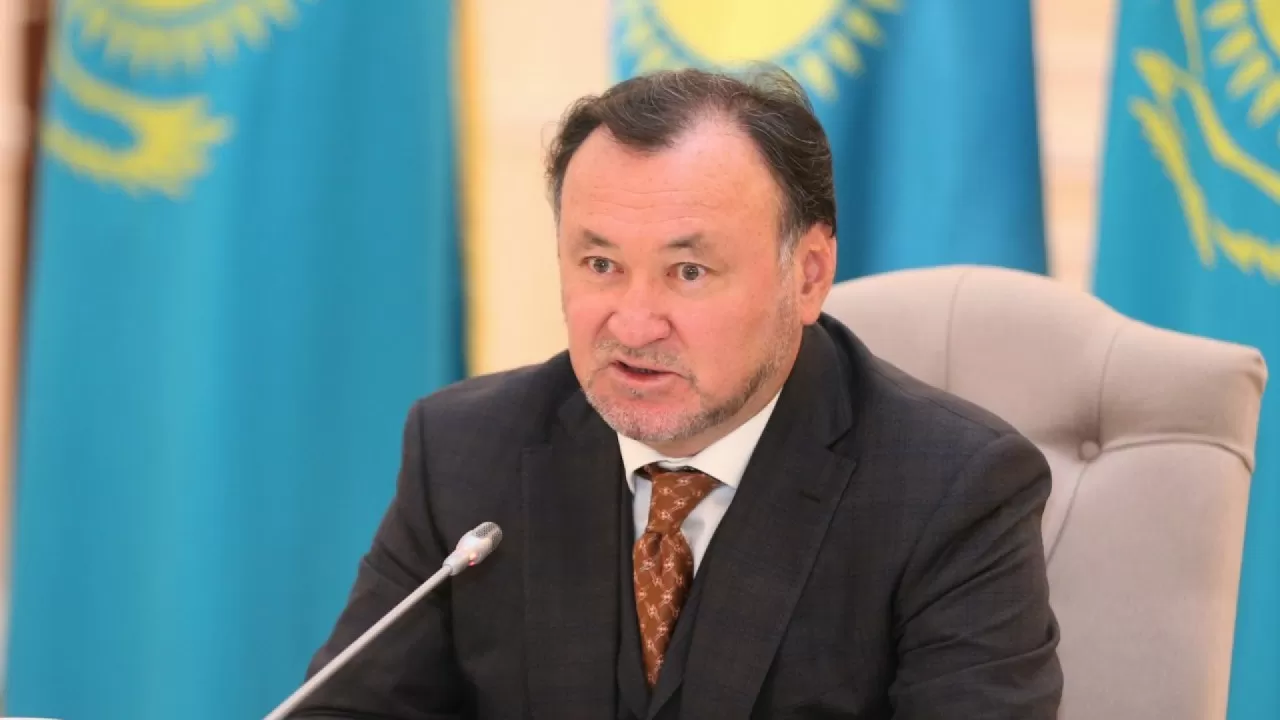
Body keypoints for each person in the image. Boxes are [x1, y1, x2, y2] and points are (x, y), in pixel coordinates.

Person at [292, 66, 1063, 719]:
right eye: (600, 265)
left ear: (808, 276)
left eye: (688, 272)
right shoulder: (464, 452)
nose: (633, 324)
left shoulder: (952, 491)